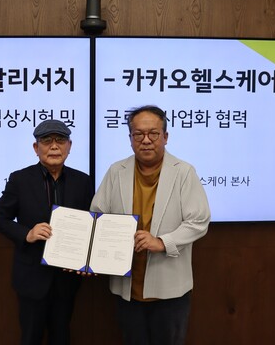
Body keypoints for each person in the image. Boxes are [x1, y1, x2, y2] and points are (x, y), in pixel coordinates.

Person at [90, 105, 211, 345]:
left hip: (170, 290)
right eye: (138, 134)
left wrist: (162, 242)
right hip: (127, 287)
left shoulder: (184, 172)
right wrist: (86, 254)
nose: (146, 140)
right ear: (130, 138)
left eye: (153, 133)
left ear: (165, 137)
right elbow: (98, 216)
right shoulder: (117, 171)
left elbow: (199, 221)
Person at [0, 119, 94, 345]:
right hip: (31, 276)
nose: (54, 146)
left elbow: (92, 224)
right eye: (46, 141)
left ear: (70, 146)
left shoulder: (83, 181)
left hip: (67, 277)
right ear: (36, 148)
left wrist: (89, 259)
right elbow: (0, 219)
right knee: (31, 337)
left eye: (60, 140)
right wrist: (27, 234)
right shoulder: (20, 179)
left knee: (62, 335)